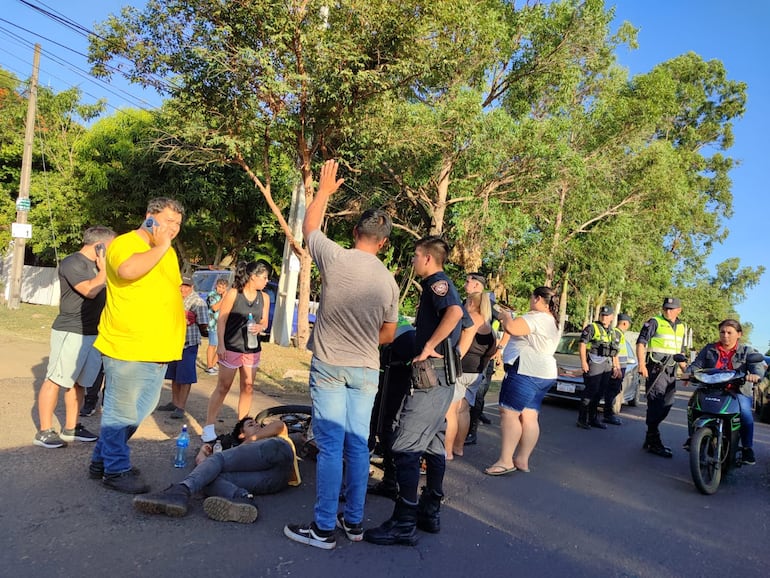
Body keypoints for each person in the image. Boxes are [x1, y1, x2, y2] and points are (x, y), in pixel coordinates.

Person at [284, 160, 399, 551]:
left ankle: (321, 529)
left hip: (331, 366)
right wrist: (366, 339)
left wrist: (324, 192)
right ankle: (352, 522)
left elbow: (309, 227)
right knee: (356, 446)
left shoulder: (335, 257)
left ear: (355, 233)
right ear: (382, 242)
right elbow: (388, 332)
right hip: (367, 369)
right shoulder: (389, 280)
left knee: (331, 447)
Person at [364, 235, 463, 547]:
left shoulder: (438, 283)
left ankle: (404, 522)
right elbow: (468, 323)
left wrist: (431, 347)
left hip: (431, 380)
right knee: (433, 445)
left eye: (415, 256)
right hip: (443, 378)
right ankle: (428, 511)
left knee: (405, 447)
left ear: (428, 258)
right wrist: (450, 351)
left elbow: (457, 314)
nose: (413, 261)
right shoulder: (442, 284)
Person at [89, 197, 186, 494]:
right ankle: (117, 470)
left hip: (157, 349)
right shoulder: (125, 244)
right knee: (121, 413)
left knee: (142, 409)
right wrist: (160, 246)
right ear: (149, 217)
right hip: (129, 347)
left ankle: (100, 461)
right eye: (168, 221)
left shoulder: (165, 252)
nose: (173, 228)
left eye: (178, 224)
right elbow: (129, 271)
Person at [33, 226, 116, 448]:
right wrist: (104, 270)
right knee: (55, 379)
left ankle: (71, 427)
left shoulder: (98, 266)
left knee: (80, 383)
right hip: (71, 330)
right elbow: (88, 290)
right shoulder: (73, 263)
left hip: (93, 333)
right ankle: (44, 431)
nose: (114, 250)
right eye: (111, 246)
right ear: (99, 246)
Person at [133, 416, 300, 523]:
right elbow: (202, 464)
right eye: (251, 424)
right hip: (276, 481)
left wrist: (252, 439)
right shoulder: (229, 447)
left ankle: (180, 491)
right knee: (209, 479)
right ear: (241, 434)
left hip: (277, 452)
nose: (257, 425)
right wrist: (202, 452)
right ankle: (242, 499)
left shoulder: (268, 436)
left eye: (258, 424)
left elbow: (279, 424)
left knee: (217, 460)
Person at [483, 286, 561, 476]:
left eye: (531, 297)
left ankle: (505, 461)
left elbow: (512, 328)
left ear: (538, 299)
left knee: (509, 413)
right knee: (530, 416)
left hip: (526, 370)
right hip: (543, 372)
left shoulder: (537, 318)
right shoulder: (551, 320)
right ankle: (522, 459)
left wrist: (505, 316)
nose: (530, 300)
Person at [201, 261, 270, 442]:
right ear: (253, 276)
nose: (266, 281)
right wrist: (221, 345)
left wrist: (260, 326)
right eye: (264, 277)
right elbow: (221, 320)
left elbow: (265, 321)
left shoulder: (264, 297)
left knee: (247, 386)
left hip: (252, 348)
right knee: (223, 386)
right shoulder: (233, 293)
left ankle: (243, 426)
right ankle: (208, 426)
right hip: (231, 346)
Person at [684, 319, 763, 464]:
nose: (725, 335)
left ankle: (747, 448)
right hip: (709, 389)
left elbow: (756, 366)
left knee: (745, 413)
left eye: (729, 332)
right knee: (692, 406)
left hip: (736, 391)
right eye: (722, 332)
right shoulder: (709, 349)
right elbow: (697, 364)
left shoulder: (746, 351)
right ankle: (693, 438)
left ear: (739, 334)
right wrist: (688, 373)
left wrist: (755, 375)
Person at [445, 274, 496, 458]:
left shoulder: (470, 320)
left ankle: (448, 450)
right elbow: (492, 351)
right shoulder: (489, 325)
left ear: (472, 304)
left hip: (461, 369)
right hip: (476, 372)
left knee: (451, 410)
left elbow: (462, 346)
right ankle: (459, 447)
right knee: (464, 410)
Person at [636, 297, 687, 458]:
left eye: (671, 309)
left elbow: (681, 351)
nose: (668, 311)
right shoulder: (654, 322)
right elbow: (641, 343)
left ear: (679, 310)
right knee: (656, 403)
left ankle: (650, 436)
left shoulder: (681, 327)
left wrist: (686, 371)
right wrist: (641, 364)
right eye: (665, 308)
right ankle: (654, 441)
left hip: (672, 370)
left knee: (668, 403)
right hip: (656, 369)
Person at [156, 276, 209, 419]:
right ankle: (174, 401)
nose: (183, 289)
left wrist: (192, 322)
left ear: (192, 287)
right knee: (174, 374)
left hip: (189, 343)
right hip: (174, 342)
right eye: (181, 286)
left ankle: (181, 406)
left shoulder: (198, 302)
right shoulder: (175, 300)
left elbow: (204, 325)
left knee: (185, 376)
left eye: (186, 286)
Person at [576, 306, 621, 430]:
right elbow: (582, 344)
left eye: (607, 316)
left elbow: (615, 351)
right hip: (595, 361)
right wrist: (584, 362)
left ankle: (593, 418)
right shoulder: (592, 328)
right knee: (591, 390)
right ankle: (582, 419)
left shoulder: (613, 332)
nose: (604, 317)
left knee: (600, 391)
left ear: (612, 317)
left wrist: (616, 367)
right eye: (602, 315)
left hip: (607, 363)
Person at [604, 312, 633, 425]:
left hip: (620, 367)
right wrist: (616, 367)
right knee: (611, 391)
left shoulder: (619, 333)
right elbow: (614, 352)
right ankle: (608, 415)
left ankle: (608, 413)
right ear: (625, 323)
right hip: (617, 367)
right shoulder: (617, 333)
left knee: (615, 390)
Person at [205, 277, 229, 374]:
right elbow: (215, 308)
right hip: (213, 324)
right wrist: (223, 298)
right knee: (212, 345)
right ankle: (209, 365)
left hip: (222, 324)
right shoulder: (212, 295)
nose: (221, 290)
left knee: (221, 345)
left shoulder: (226, 296)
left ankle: (214, 364)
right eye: (219, 287)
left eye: (223, 288)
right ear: (216, 286)